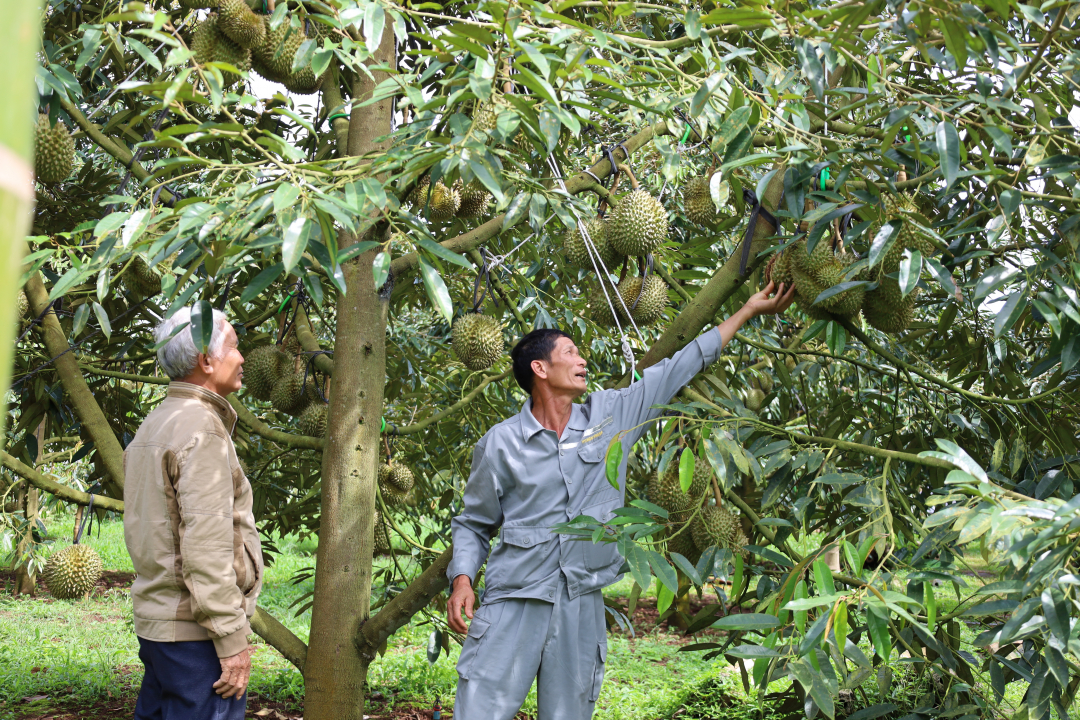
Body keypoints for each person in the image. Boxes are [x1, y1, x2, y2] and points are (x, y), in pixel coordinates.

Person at [446, 280, 796, 719]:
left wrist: (745, 311)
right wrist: (462, 579)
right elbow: (474, 523)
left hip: (581, 600)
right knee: (479, 709)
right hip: (515, 596)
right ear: (539, 368)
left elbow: (678, 367)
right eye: (570, 352)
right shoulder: (500, 445)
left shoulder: (611, 416)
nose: (582, 359)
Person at [124, 306, 262, 720]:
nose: (242, 358)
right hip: (195, 636)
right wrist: (231, 638)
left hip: (160, 626)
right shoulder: (201, 430)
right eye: (235, 347)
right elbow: (206, 549)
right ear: (206, 360)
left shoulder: (158, 421)